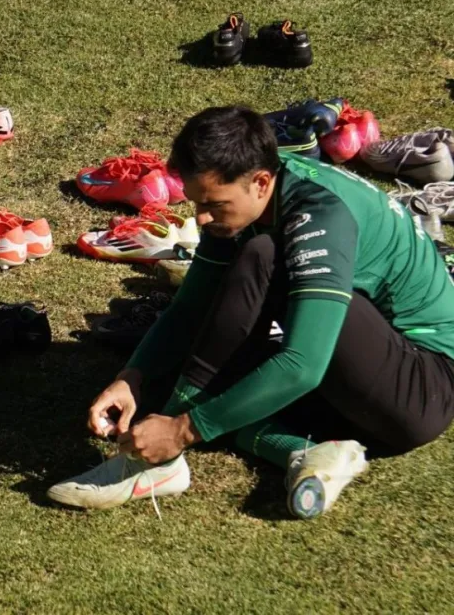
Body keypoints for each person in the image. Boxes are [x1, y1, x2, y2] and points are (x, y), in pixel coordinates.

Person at [49, 106, 454, 519]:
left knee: (261, 257)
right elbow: (191, 306)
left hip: (421, 390)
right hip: (359, 370)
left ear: (260, 182)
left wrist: (181, 430)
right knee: (195, 377)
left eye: (214, 204)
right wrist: (132, 377)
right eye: (195, 202)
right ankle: (305, 451)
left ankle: (157, 463)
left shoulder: (320, 213)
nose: (201, 218)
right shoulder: (249, 192)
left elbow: (303, 365)